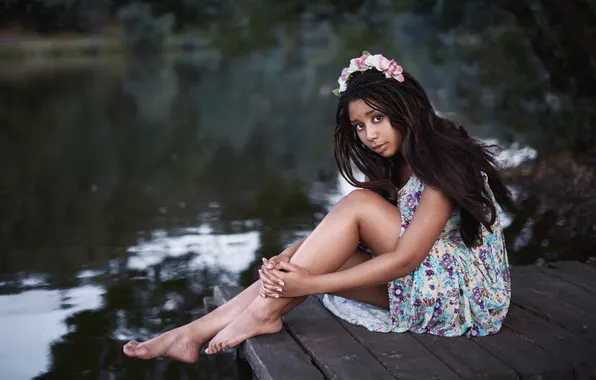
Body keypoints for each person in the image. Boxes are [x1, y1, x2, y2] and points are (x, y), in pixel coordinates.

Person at [123, 51, 514, 362]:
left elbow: (407, 259)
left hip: (465, 297)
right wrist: (291, 255)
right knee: (306, 260)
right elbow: (349, 240)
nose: (369, 135)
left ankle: (262, 314)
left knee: (355, 208)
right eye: (359, 126)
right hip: (427, 282)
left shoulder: (441, 156)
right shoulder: (394, 162)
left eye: (377, 118)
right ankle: (192, 332)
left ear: (404, 108)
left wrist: (311, 285)